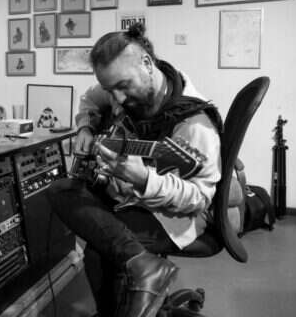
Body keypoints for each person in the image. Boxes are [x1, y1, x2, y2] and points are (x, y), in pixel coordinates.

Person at [47, 23, 223, 317]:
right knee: (59, 189)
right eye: (110, 89)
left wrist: (144, 179)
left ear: (147, 64)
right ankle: (143, 267)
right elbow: (89, 99)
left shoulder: (194, 123)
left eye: (123, 86)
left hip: (172, 216)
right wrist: (86, 127)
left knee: (100, 249)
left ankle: (134, 284)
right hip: (129, 197)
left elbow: (200, 198)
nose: (117, 99)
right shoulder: (119, 88)